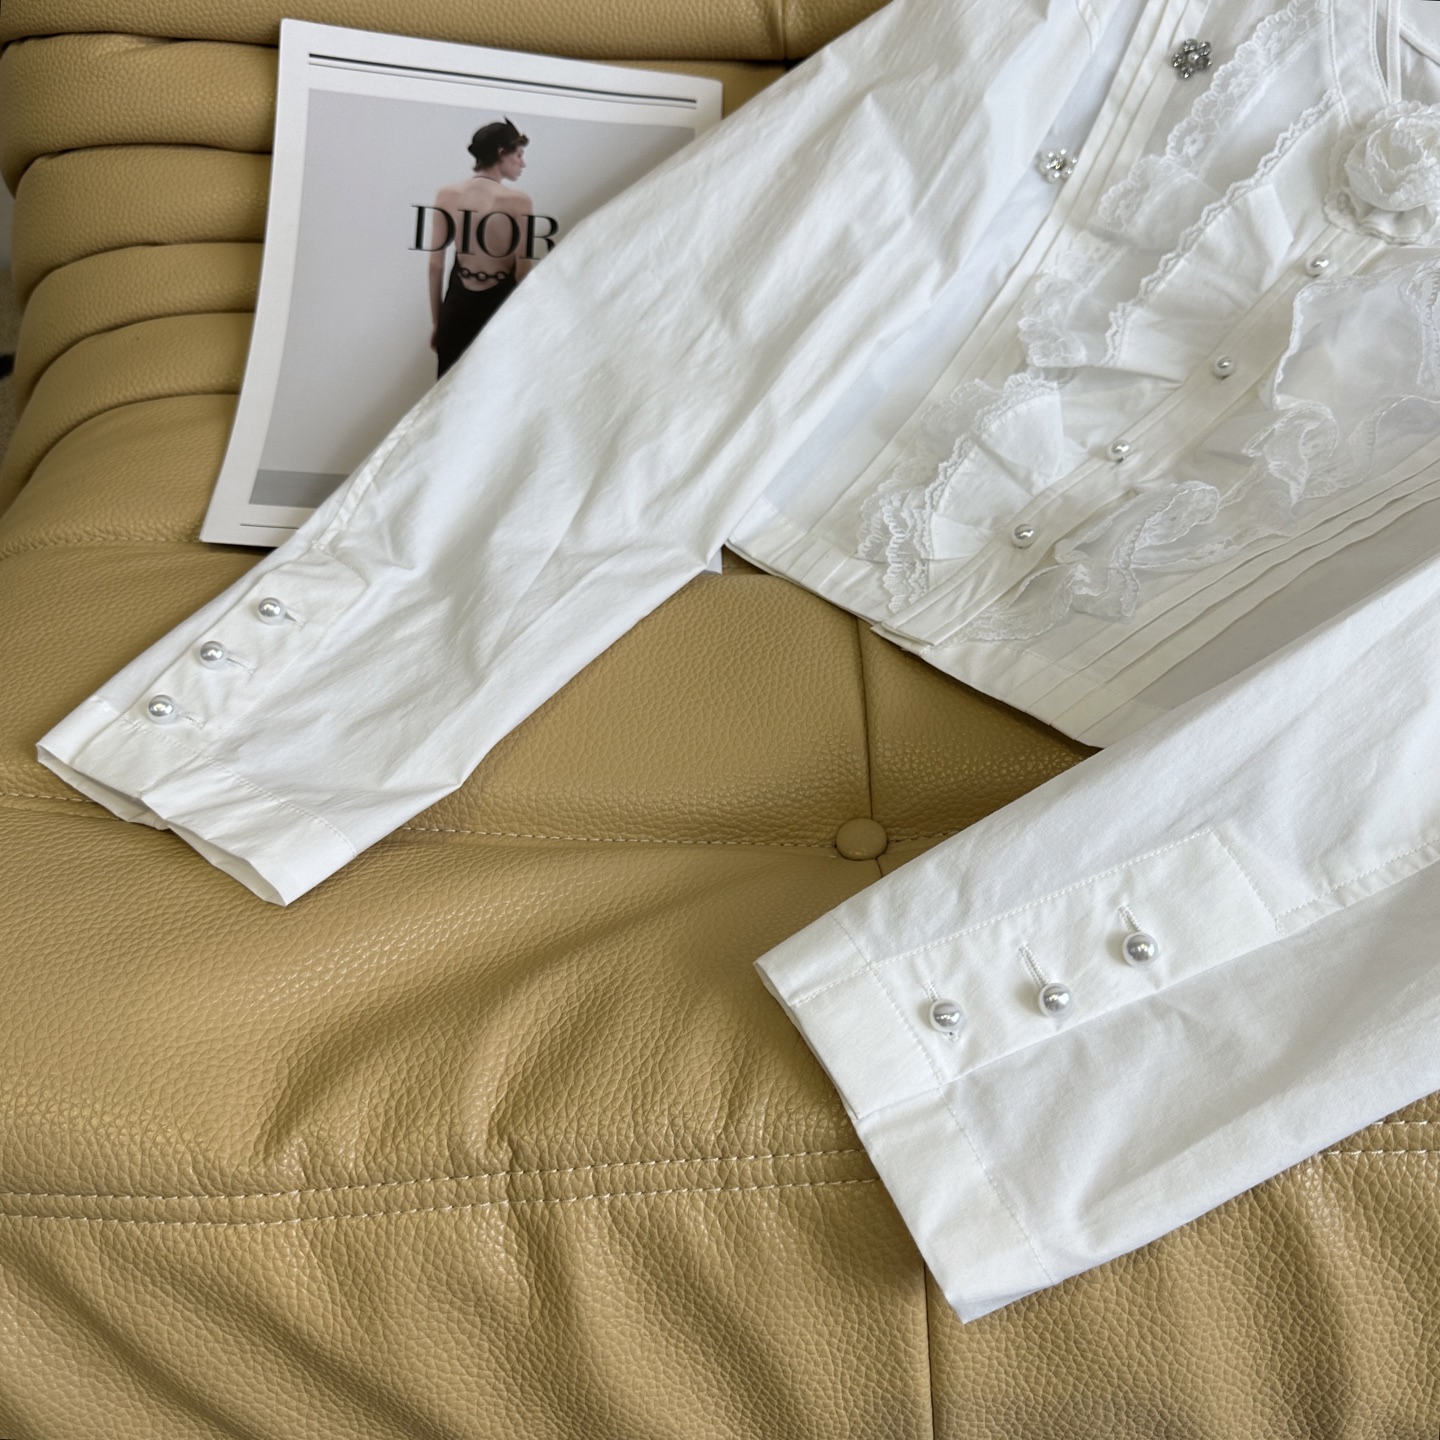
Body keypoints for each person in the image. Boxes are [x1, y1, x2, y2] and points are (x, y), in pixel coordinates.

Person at [36, 0, 1440, 1322]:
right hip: (826, 465)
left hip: (1217, 678)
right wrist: (279, 717)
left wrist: (990, 1045)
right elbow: (784, 254)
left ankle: (987, 1057)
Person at [428, 119, 534, 377]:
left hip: (456, 308)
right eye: (519, 155)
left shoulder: (446, 195)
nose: (523, 163)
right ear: (501, 152)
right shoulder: (519, 202)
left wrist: (438, 323)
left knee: (449, 392)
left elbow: (435, 265)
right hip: (499, 309)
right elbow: (522, 273)